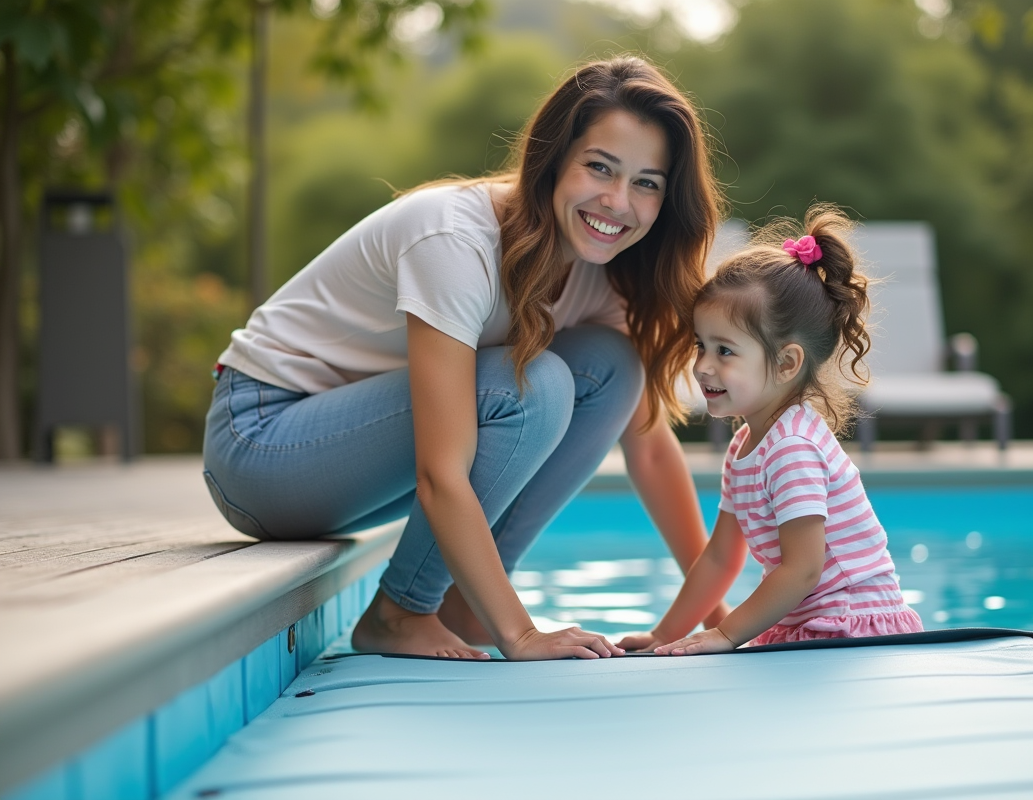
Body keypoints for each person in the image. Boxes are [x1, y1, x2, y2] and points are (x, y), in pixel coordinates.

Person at [202, 56, 728, 661]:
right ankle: (402, 612)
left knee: (612, 367)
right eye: (599, 168)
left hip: (363, 457)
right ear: (553, 160)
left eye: (646, 183)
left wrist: (715, 618)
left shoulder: (605, 275)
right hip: (263, 442)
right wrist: (521, 634)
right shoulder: (455, 239)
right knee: (532, 384)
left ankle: (464, 606)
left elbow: (650, 448)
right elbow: (440, 471)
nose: (617, 201)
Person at [618, 204, 923, 656]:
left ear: (786, 363)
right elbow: (721, 558)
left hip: (853, 627)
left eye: (725, 351)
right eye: (701, 345)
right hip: (811, 620)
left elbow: (803, 570)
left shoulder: (791, 448)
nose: (703, 366)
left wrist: (723, 635)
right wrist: (667, 634)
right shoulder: (747, 444)